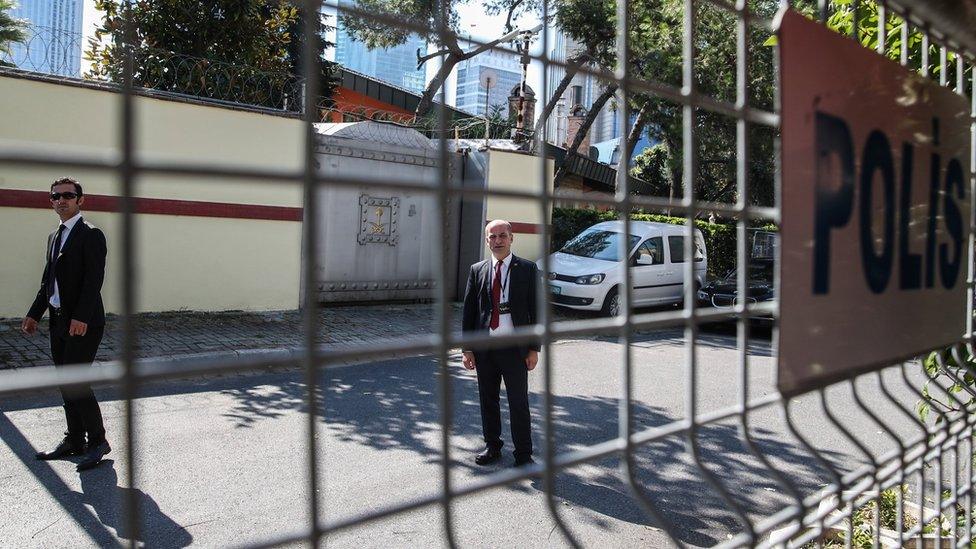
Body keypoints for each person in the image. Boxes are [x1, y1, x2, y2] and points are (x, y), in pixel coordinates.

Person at [21, 177, 111, 472]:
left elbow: (93, 281)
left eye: (68, 195)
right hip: (58, 321)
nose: (61, 200)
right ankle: (75, 439)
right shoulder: (54, 236)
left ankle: (98, 441)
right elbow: (48, 281)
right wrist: (35, 313)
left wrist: (81, 317)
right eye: (55, 196)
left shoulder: (91, 234)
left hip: (83, 323)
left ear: (80, 200)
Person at [461, 219, 539, 467]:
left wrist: (534, 348)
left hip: (515, 349)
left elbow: (537, 311)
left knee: (518, 402)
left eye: (502, 236)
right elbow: (469, 312)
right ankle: (492, 446)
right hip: (486, 349)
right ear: (486, 241)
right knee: (488, 401)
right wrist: (467, 348)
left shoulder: (527, 269)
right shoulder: (477, 270)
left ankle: (524, 455)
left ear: (511, 238)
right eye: (492, 237)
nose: (497, 241)